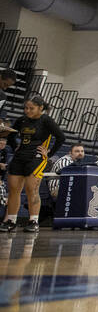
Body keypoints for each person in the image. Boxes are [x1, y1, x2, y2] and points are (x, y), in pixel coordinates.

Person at [0, 95, 65, 233]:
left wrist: (49, 153)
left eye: (31, 108)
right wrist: (14, 146)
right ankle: (11, 221)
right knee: (14, 191)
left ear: (40, 108)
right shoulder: (22, 120)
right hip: (19, 156)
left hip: (36, 158)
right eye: (26, 108)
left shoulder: (46, 120)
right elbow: (11, 135)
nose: (27, 111)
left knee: (32, 189)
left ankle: (33, 221)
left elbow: (60, 137)